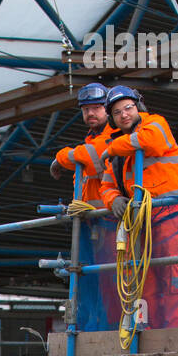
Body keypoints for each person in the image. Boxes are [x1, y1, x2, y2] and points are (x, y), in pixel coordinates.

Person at [99, 85, 178, 329]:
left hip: (173, 212)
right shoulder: (120, 152)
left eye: (128, 108)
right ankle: (150, 338)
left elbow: (150, 141)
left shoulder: (155, 123)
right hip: (143, 220)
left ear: (138, 107)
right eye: (118, 112)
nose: (124, 114)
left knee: (175, 281)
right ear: (112, 119)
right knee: (146, 285)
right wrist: (114, 200)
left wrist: (111, 148)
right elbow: (106, 186)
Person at [50, 82, 119, 329]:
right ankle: (88, 326)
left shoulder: (114, 133)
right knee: (88, 278)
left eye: (97, 108)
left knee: (108, 279)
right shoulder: (92, 137)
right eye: (86, 109)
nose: (90, 113)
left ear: (107, 109)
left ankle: (105, 329)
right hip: (92, 222)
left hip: (110, 221)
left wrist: (61, 158)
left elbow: (90, 157)